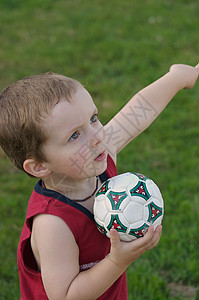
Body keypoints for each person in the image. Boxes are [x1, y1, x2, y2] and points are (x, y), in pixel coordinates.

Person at [0, 64, 198, 300]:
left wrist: (176, 78)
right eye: (74, 135)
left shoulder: (92, 158)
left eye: (93, 118)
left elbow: (138, 111)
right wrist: (117, 261)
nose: (97, 136)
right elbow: (65, 296)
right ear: (39, 166)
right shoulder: (53, 224)